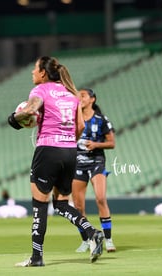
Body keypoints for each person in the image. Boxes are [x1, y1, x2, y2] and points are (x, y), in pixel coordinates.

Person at [8, 56, 104, 267]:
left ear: (43, 73)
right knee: (61, 203)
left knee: (39, 205)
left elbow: (31, 109)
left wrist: (14, 118)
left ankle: (36, 257)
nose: (32, 73)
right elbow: (80, 127)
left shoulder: (40, 90)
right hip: (70, 151)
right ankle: (92, 232)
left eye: (34, 69)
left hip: (48, 150)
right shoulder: (71, 95)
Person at [71, 88, 117, 253]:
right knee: (78, 207)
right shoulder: (72, 119)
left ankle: (109, 239)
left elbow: (112, 143)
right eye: (78, 95)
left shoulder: (101, 119)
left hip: (96, 162)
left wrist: (96, 144)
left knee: (100, 198)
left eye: (83, 95)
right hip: (77, 164)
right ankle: (86, 240)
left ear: (92, 99)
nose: (79, 98)